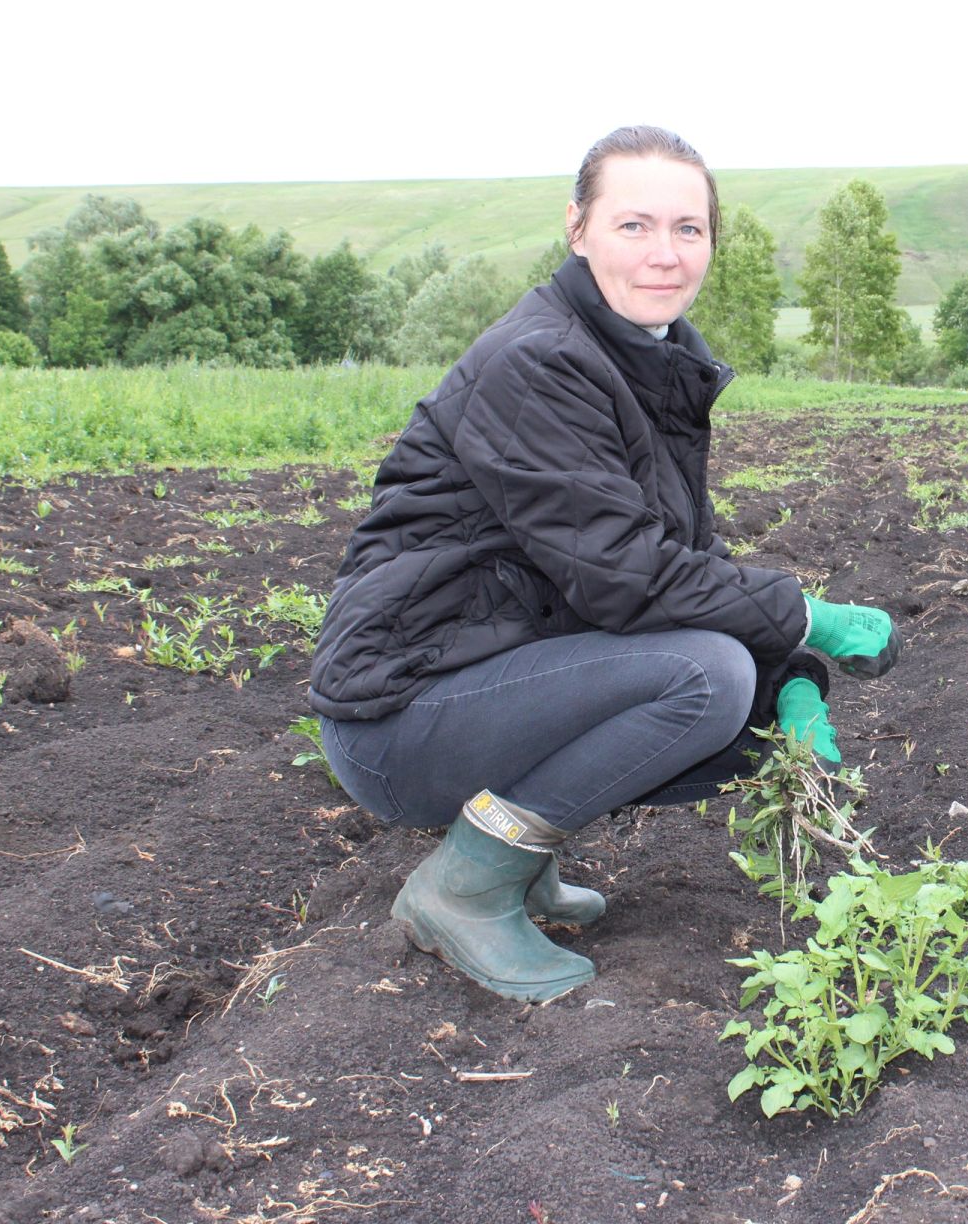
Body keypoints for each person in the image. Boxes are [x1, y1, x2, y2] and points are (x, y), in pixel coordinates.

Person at [308, 125, 901, 1003]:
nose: (665, 254)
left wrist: (795, 676)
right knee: (703, 679)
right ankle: (463, 889)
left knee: (751, 707)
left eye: (688, 229)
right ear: (578, 230)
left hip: (479, 681)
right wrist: (810, 617)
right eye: (634, 226)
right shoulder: (541, 361)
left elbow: (684, 562)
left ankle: (520, 863)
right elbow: (628, 575)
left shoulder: (644, 360)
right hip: (399, 720)